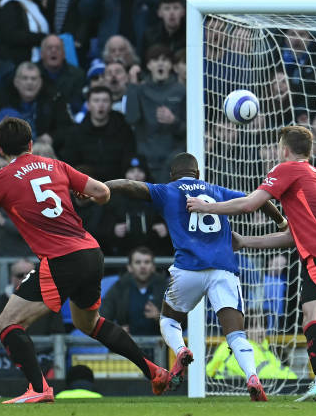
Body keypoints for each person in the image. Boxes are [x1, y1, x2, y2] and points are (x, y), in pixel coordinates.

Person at [0, 117, 171, 404]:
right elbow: (102, 192)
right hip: (91, 252)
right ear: (30, 143)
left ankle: (39, 388)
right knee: (89, 323)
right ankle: (154, 371)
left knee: (6, 323)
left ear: (1, 150)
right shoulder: (56, 165)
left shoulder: (1, 177)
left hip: (61, 258)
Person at [187, 125, 316, 402]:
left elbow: (250, 204)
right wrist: (244, 242)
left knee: (313, 318)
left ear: (284, 149)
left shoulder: (287, 169)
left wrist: (207, 206)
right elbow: (291, 237)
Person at [104, 152, 288, 401]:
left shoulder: (167, 190)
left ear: (172, 175)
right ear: (198, 174)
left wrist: (103, 187)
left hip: (188, 269)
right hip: (223, 269)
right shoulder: (217, 190)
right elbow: (255, 200)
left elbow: (130, 185)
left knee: (169, 321)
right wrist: (280, 221)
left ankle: (180, 349)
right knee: (235, 334)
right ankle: (252, 377)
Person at [125, 44, 186, 183]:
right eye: (155, 60)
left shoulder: (181, 91)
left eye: (165, 60)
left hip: (172, 162)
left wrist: (173, 121)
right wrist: (133, 85)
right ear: (148, 65)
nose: (160, 63)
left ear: (171, 65)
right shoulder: (139, 90)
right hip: (145, 162)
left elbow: (190, 130)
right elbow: (131, 118)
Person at [61, 85, 136, 182]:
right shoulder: (76, 133)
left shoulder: (124, 130)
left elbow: (128, 159)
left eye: (105, 101)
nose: (101, 105)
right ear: (88, 105)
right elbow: (69, 163)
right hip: (88, 187)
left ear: (111, 105)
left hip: (118, 185)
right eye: (96, 101)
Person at [206, 311, 297, 380]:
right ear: (244, 329)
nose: (260, 330)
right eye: (254, 326)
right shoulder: (235, 347)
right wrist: (293, 378)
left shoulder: (266, 352)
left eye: (263, 326)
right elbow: (263, 374)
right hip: (226, 391)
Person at [0, 259, 65, 335]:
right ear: (12, 278)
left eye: (31, 274)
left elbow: (58, 334)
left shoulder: (50, 304)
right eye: (20, 275)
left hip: (44, 350)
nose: (26, 278)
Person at [100, 246, 167, 336]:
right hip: (126, 344)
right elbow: (103, 316)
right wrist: (115, 330)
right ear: (129, 267)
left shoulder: (165, 288)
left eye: (147, 262)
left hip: (159, 346)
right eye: (138, 262)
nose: (143, 266)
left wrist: (160, 317)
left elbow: (183, 322)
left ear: (153, 267)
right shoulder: (120, 287)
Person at [0, 0, 49, 65]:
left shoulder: (38, 4)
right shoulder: (10, 5)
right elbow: (11, 35)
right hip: (22, 61)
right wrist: (41, 38)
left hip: (42, 58)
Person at [37, 35, 85, 112]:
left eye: (58, 48)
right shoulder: (32, 74)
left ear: (64, 54)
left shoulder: (78, 75)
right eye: (49, 48)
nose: (53, 51)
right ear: (41, 53)